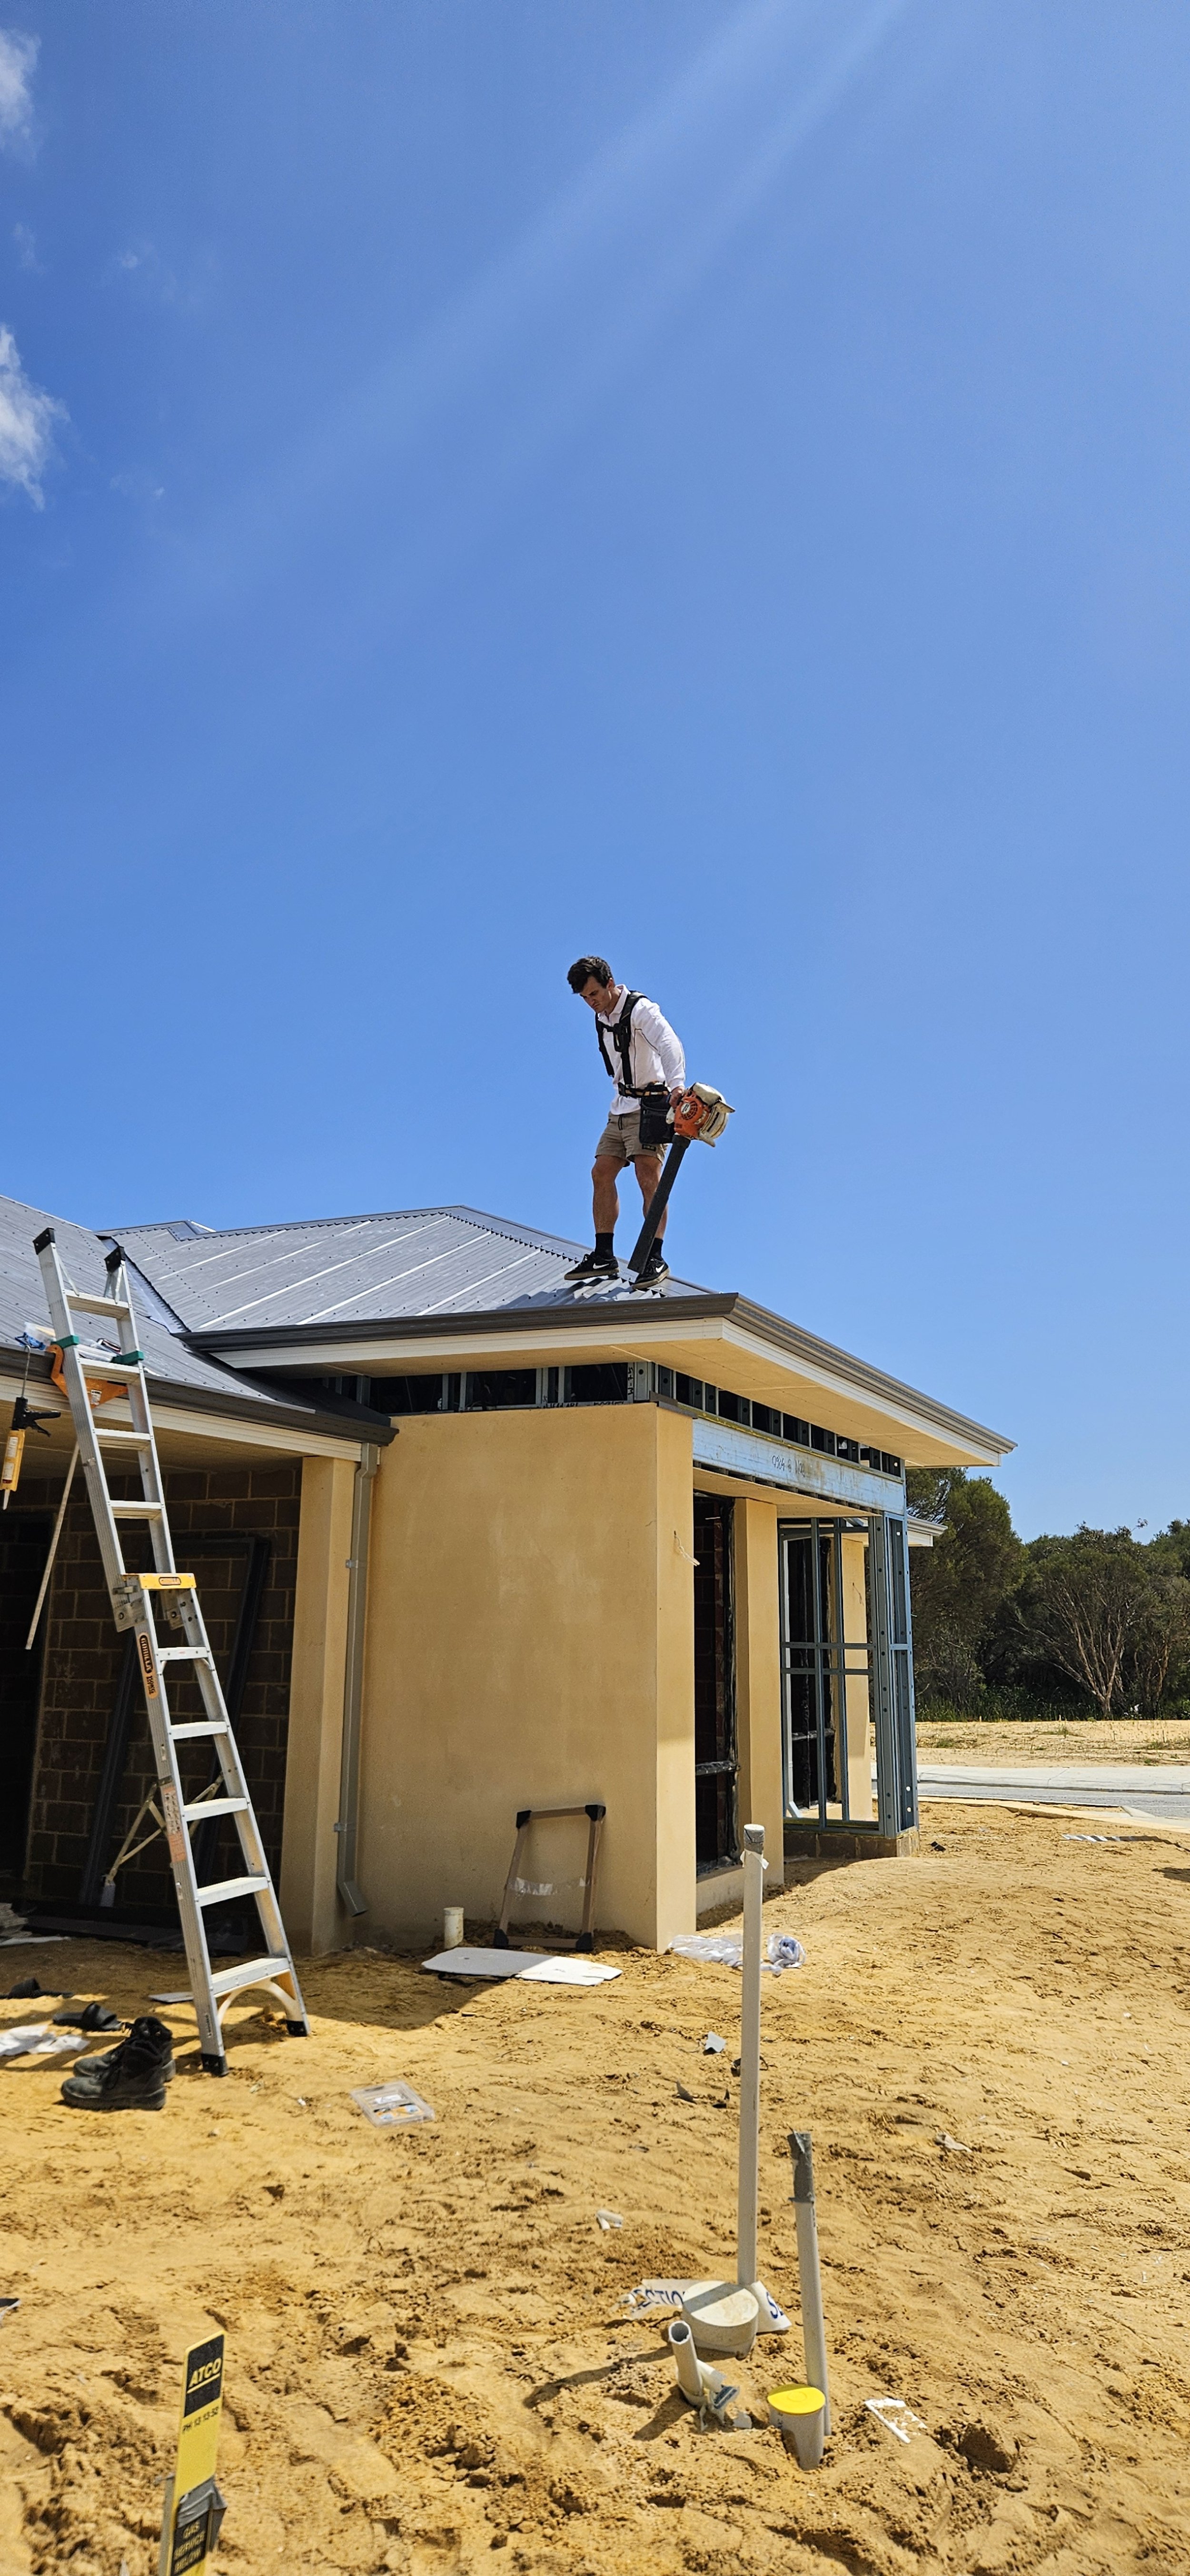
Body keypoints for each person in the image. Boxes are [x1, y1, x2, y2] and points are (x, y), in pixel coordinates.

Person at [564, 955, 686, 1287]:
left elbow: (669, 1043)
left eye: (594, 994)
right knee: (601, 1172)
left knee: (648, 1175)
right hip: (620, 1107)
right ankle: (604, 1254)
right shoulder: (601, 1018)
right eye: (585, 999)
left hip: (651, 1103)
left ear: (609, 983)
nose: (591, 1003)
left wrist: (677, 1085)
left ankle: (655, 1257)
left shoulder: (641, 1011)